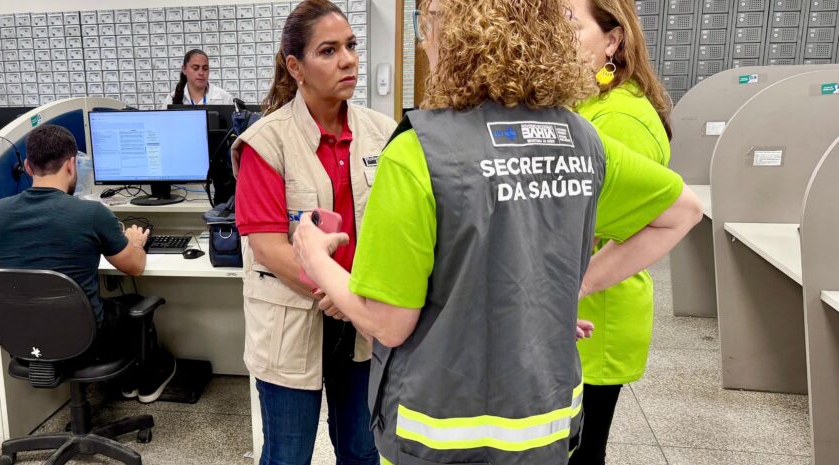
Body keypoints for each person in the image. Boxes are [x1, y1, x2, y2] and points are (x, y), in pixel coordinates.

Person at [291, 0, 703, 464]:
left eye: (427, 28)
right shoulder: (579, 139)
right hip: (543, 429)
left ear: (456, 35)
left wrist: (317, 260)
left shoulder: (417, 153)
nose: (424, 43)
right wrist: (572, 290)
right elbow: (681, 212)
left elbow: (388, 321)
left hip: (438, 436)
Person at [231, 1, 396, 463]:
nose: (347, 59)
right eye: (328, 50)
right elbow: (266, 245)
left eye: (351, 46)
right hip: (293, 317)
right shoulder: (268, 141)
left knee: (362, 450)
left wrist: (356, 299)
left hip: (362, 320)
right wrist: (334, 292)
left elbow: (398, 230)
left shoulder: (384, 134)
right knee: (288, 454)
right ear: (295, 67)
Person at [0, 124, 177, 403]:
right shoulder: (91, 214)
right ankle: (142, 379)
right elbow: (135, 267)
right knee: (133, 302)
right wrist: (134, 242)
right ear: (72, 165)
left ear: (27, 167)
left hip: (21, 338)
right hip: (86, 341)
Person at [568, 0, 675, 463]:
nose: (554, 36)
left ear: (613, 40)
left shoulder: (619, 118)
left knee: (581, 452)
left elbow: (632, 226)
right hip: (581, 311)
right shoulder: (591, 103)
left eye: (570, 25)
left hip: (597, 315)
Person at [162, 49, 235, 106]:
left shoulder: (225, 98)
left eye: (205, 68)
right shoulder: (171, 99)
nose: (201, 73)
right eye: (195, 68)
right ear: (184, 69)